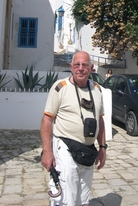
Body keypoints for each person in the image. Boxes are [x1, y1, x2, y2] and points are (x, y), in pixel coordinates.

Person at [40, 51, 106, 206]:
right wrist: (47, 151)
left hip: (88, 150)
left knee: (83, 197)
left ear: (91, 67)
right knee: (66, 197)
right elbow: (47, 120)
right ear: (71, 67)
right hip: (65, 147)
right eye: (77, 65)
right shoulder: (60, 88)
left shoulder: (97, 89)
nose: (80, 68)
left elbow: (100, 120)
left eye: (84, 65)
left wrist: (102, 147)